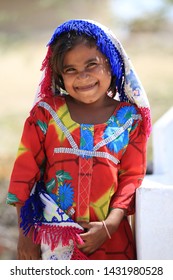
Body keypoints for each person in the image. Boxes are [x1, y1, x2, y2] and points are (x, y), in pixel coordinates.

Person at [7, 19, 151, 260]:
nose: (82, 77)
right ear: (59, 75)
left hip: (111, 243)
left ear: (112, 62)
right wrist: (27, 235)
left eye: (91, 65)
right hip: (51, 241)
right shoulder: (45, 115)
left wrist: (110, 226)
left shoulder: (130, 119)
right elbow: (24, 177)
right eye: (70, 69)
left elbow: (132, 178)